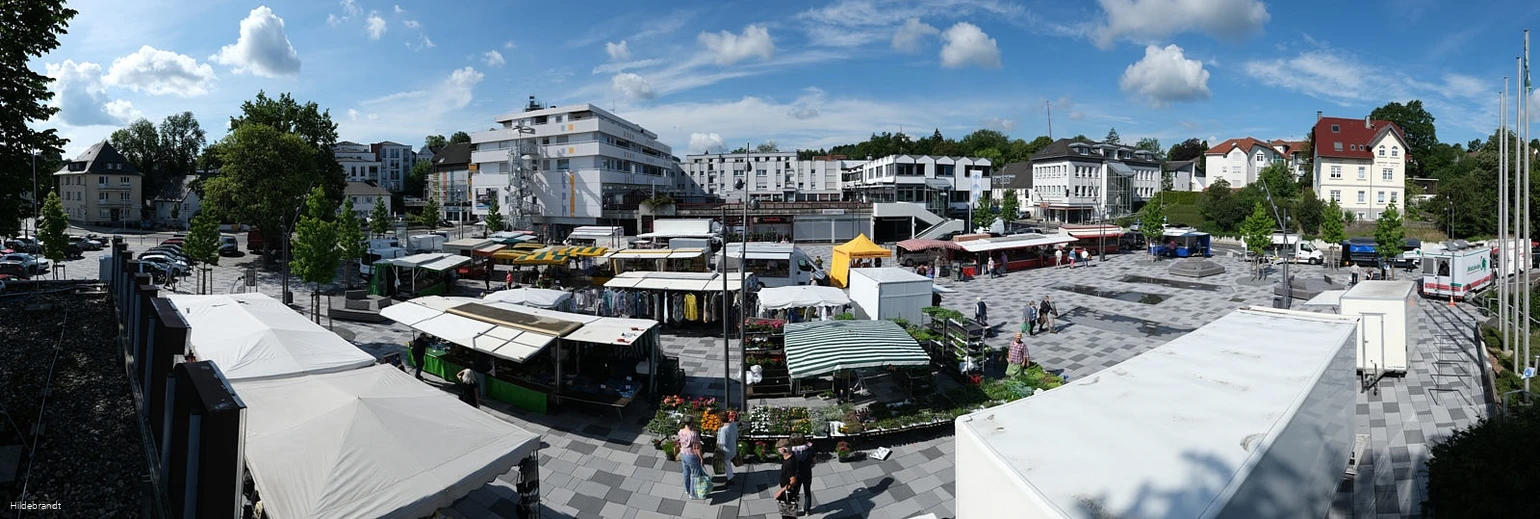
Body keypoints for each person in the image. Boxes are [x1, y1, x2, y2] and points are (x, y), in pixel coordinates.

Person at [678, 416, 710, 500]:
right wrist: (701, 458)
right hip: (691, 456)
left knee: (686, 473)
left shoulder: (681, 431)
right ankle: (693, 494)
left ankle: (687, 489)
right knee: (694, 475)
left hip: (683, 454)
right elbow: (697, 448)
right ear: (691, 423)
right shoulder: (693, 434)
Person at [773, 439, 800, 519]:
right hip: (788, 490)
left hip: (788, 492)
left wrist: (780, 491)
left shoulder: (789, 463)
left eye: (778, 448)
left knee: (788, 514)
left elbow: (793, 481)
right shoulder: (790, 457)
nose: (778, 450)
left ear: (783, 450)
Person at [789, 434, 816, 516]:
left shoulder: (791, 452)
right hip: (807, 473)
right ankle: (807, 510)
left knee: (795, 493)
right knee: (807, 491)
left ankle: (795, 510)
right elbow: (814, 461)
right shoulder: (809, 449)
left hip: (796, 475)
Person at [715, 411, 739, 485]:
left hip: (726, 451)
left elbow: (722, 443)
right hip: (733, 448)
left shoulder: (723, 429)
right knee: (728, 463)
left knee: (726, 463)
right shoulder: (733, 425)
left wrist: (717, 444)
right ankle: (730, 476)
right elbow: (737, 436)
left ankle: (730, 478)